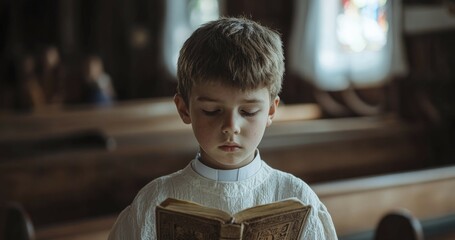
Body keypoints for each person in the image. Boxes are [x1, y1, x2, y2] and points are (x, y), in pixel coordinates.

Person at [108, 17, 338, 240]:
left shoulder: (297, 198)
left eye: (248, 112)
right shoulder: (153, 203)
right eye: (211, 111)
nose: (231, 127)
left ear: (270, 111)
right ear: (185, 109)